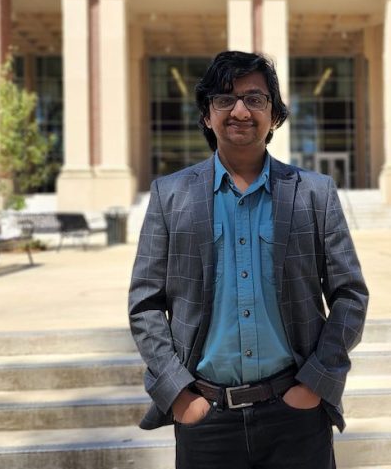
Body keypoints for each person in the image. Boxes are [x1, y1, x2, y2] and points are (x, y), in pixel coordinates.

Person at [128, 50, 369, 469]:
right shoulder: (171, 196)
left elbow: (350, 296)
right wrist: (181, 396)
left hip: (295, 413)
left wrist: (314, 386)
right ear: (207, 115)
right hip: (205, 418)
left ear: (274, 116)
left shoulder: (313, 193)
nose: (240, 110)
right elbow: (145, 305)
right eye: (225, 99)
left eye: (255, 99)